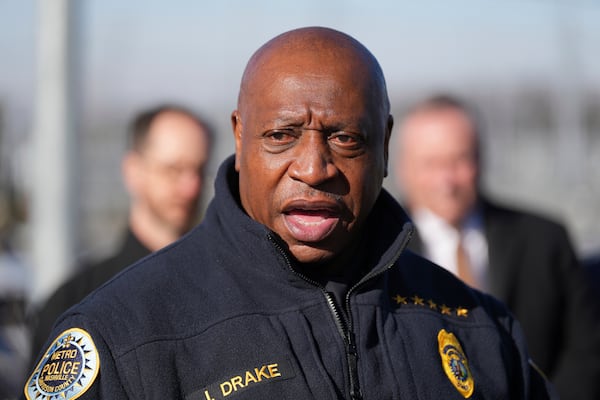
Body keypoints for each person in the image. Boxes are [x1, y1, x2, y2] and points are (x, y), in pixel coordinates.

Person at [23, 27, 556, 400]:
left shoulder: (479, 328)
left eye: (346, 138)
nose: (314, 167)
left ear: (386, 146)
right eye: (281, 135)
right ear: (239, 136)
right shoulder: (124, 335)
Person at [394, 94, 600, 399]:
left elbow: (585, 352)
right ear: (402, 168)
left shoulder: (545, 240)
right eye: (431, 163)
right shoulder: (381, 252)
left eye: (458, 160)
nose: (446, 180)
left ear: (480, 159)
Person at [28, 104, 213, 365]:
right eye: (173, 170)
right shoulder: (75, 303)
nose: (190, 187)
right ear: (133, 170)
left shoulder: (222, 288)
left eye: (199, 170)